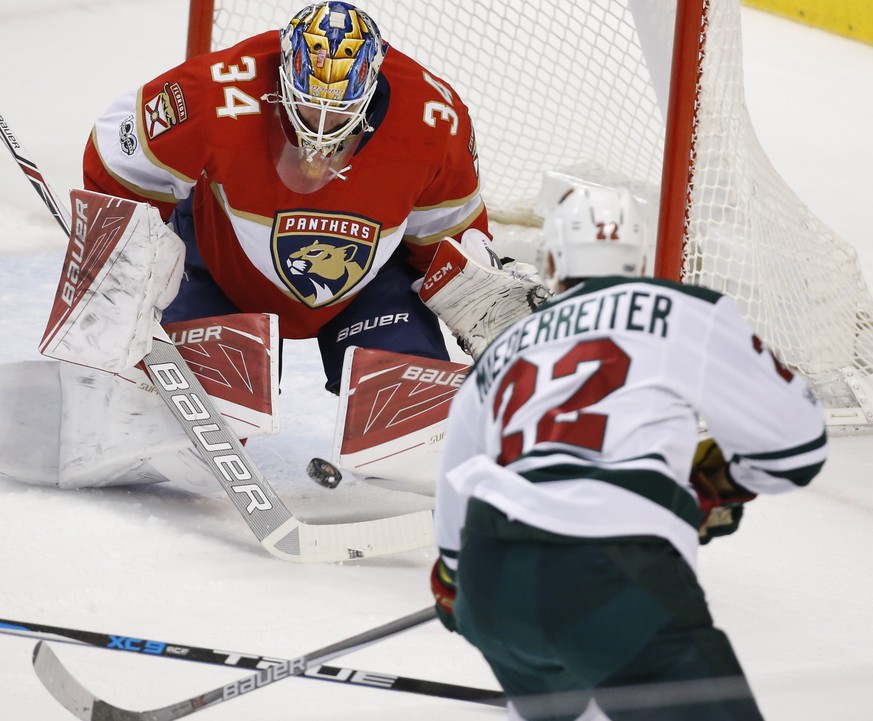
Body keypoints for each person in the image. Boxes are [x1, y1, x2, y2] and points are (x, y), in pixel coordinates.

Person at [430, 183, 828, 721]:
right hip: (611, 573)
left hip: (492, 574)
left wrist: (459, 581)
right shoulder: (686, 309)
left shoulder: (505, 348)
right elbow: (794, 448)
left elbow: (458, 485)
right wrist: (714, 487)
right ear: (640, 257)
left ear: (550, 261)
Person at [82, 0, 502, 393]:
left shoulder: (435, 119)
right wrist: (123, 259)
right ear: (284, 73)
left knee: (406, 401)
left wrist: (484, 301)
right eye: (307, 104)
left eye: (339, 110)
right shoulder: (214, 90)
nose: (321, 125)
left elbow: (448, 245)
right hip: (221, 269)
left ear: (371, 86)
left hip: (371, 285)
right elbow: (119, 161)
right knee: (205, 403)